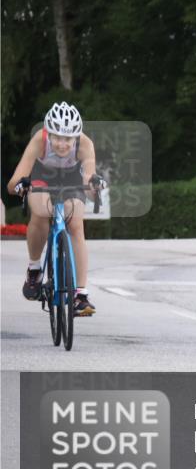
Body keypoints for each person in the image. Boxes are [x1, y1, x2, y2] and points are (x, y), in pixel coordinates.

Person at [6, 102, 104, 316]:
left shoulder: (85, 144)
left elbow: (88, 181)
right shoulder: (39, 142)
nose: (61, 144)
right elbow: (13, 183)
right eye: (56, 137)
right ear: (48, 134)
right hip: (42, 177)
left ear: (76, 137)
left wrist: (94, 184)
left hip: (71, 179)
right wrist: (21, 185)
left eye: (67, 138)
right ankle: (34, 270)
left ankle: (80, 294)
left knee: (76, 224)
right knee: (40, 213)